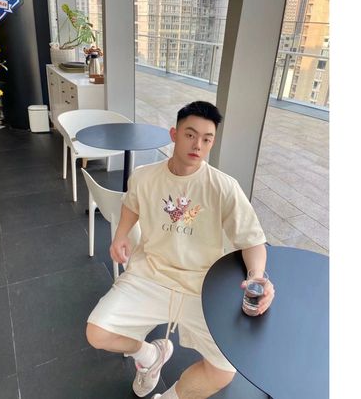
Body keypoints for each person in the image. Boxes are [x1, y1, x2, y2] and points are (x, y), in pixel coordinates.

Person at [86, 101, 275, 399]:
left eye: (207, 139)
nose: (198, 145)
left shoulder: (224, 187)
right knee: (97, 333)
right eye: (190, 135)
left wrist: (257, 276)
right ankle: (150, 356)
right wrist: (121, 235)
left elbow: (253, 241)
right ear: (174, 134)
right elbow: (131, 205)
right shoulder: (144, 176)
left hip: (200, 285)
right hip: (149, 274)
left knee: (223, 370)